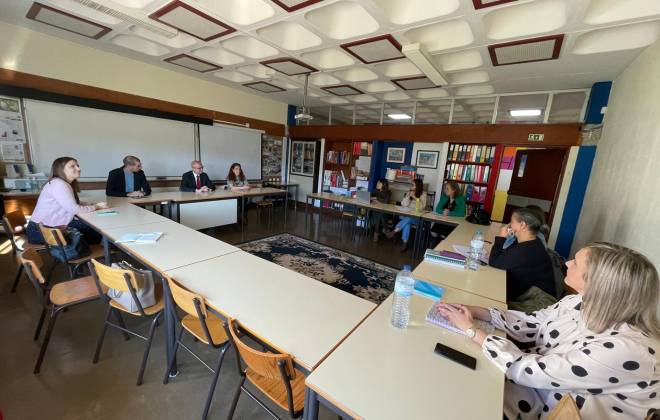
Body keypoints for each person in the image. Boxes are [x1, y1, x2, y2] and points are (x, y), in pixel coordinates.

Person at [437, 242, 659, 420]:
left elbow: (531, 372)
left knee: (456, 396)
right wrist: (476, 311)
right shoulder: (580, 301)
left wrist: (472, 331)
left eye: (576, 263)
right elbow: (532, 323)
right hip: (531, 386)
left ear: (601, 286)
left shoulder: (630, 350)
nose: (567, 262)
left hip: (542, 405)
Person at [26, 157, 107, 245]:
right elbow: (74, 209)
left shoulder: (60, 183)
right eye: (72, 166)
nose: (78, 169)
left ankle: (102, 247)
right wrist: (96, 207)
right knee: (94, 227)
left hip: (47, 227)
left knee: (90, 226)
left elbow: (71, 202)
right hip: (40, 232)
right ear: (61, 170)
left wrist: (91, 204)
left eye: (78, 166)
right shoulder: (59, 184)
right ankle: (104, 248)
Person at [489, 207, 556, 301]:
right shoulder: (532, 241)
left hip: (534, 300)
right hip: (525, 289)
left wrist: (501, 237)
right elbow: (506, 254)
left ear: (522, 225)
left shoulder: (526, 250)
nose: (509, 225)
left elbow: (494, 262)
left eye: (512, 222)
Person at [385, 179, 427, 252]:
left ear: (418, 186)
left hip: (418, 218)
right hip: (407, 215)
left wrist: (415, 198)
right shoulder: (409, 192)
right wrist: (407, 196)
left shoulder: (423, 194)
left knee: (408, 219)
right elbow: (403, 204)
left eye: (413, 185)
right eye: (411, 185)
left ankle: (395, 231)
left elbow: (422, 207)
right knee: (407, 222)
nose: (411, 186)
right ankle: (404, 243)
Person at [430, 181, 467, 247]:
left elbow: (462, 213)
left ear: (454, 190)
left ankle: (439, 248)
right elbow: (437, 209)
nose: (445, 190)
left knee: (443, 235)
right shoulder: (444, 197)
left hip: (452, 223)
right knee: (433, 232)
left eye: (447, 189)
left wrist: (450, 213)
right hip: (442, 221)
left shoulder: (461, 199)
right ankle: (435, 247)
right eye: (445, 188)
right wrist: (443, 212)